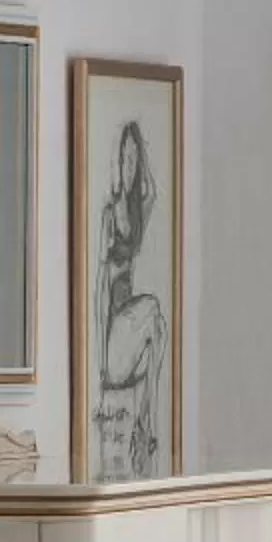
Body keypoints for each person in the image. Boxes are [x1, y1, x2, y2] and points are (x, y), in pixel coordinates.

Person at [92, 119, 170, 481]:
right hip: (113, 336)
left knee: (159, 328)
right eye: (124, 159)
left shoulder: (137, 211)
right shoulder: (109, 214)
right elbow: (99, 290)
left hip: (129, 330)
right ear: (115, 161)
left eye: (134, 160)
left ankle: (145, 419)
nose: (129, 167)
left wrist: (141, 156)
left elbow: (153, 192)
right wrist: (97, 369)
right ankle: (146, 421)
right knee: (154, 309)